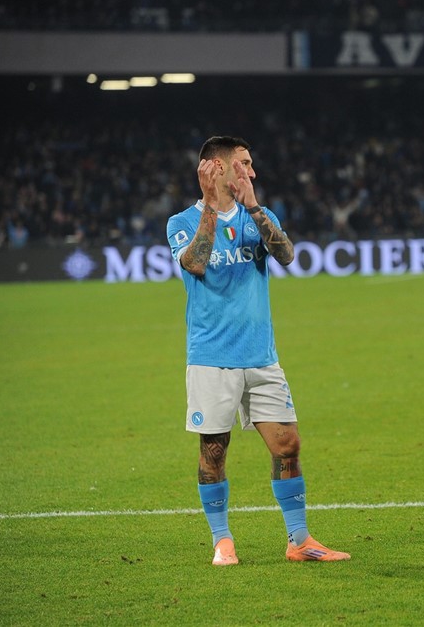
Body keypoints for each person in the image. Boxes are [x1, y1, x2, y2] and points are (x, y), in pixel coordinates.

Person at [166, 136, 350, 565]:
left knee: (287, 444)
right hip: (212, 357)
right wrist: (211, 207)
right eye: (244, 164)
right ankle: (222, 540)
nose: (252, 171)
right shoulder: (181, 221)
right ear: (217, 168)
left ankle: (299, 540)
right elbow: (195, 263)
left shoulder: (258, 215)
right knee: (214, 451)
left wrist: (252, 208)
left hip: (262, 356)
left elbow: (286, 255)